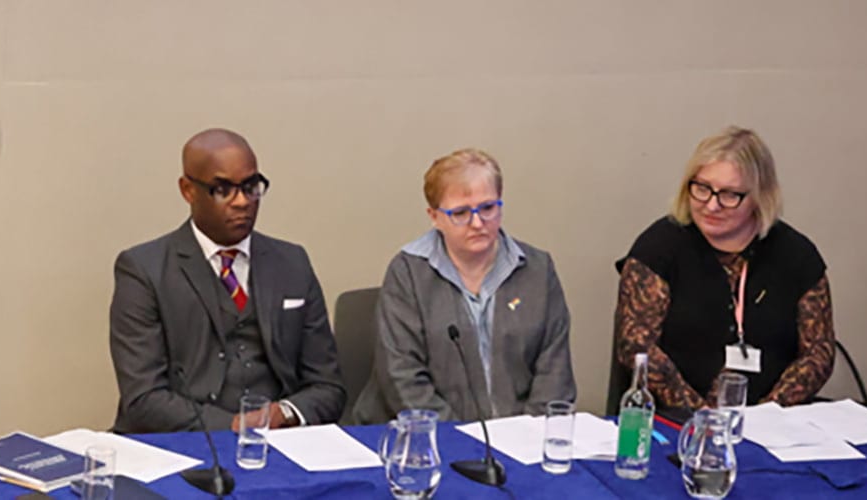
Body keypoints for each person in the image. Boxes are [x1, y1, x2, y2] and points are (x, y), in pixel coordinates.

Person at [109, 128, 345, 434]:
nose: (242, 202)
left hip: (278, 444)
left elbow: (328, 386)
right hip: (185, 444)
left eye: (251, 187)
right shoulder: (143, 270)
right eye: (223, 190)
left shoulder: (292, 263)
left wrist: (285, 412)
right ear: (188, 190)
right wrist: (233, 425)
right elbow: (143, 399)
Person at [612, 126, 833, 413]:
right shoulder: (658, 249)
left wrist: (766, 414)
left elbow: (819, 353)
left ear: (759, 196)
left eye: (729, 195)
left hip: (772, 423)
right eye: (702, 189)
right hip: (676, 417)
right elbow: (636, 347)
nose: (711, 205)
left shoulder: (796, 256)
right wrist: (702, 417)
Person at [352, 148, 575, 424]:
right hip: (428, 438)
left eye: (488, 208)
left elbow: (555, 373)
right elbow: (402, 378)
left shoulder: (538, 270)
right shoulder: (408, 272)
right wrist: (460, 439)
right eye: (460, 213)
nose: (478, 223)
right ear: (434, 216)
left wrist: (527, 436)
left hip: (520, 441)